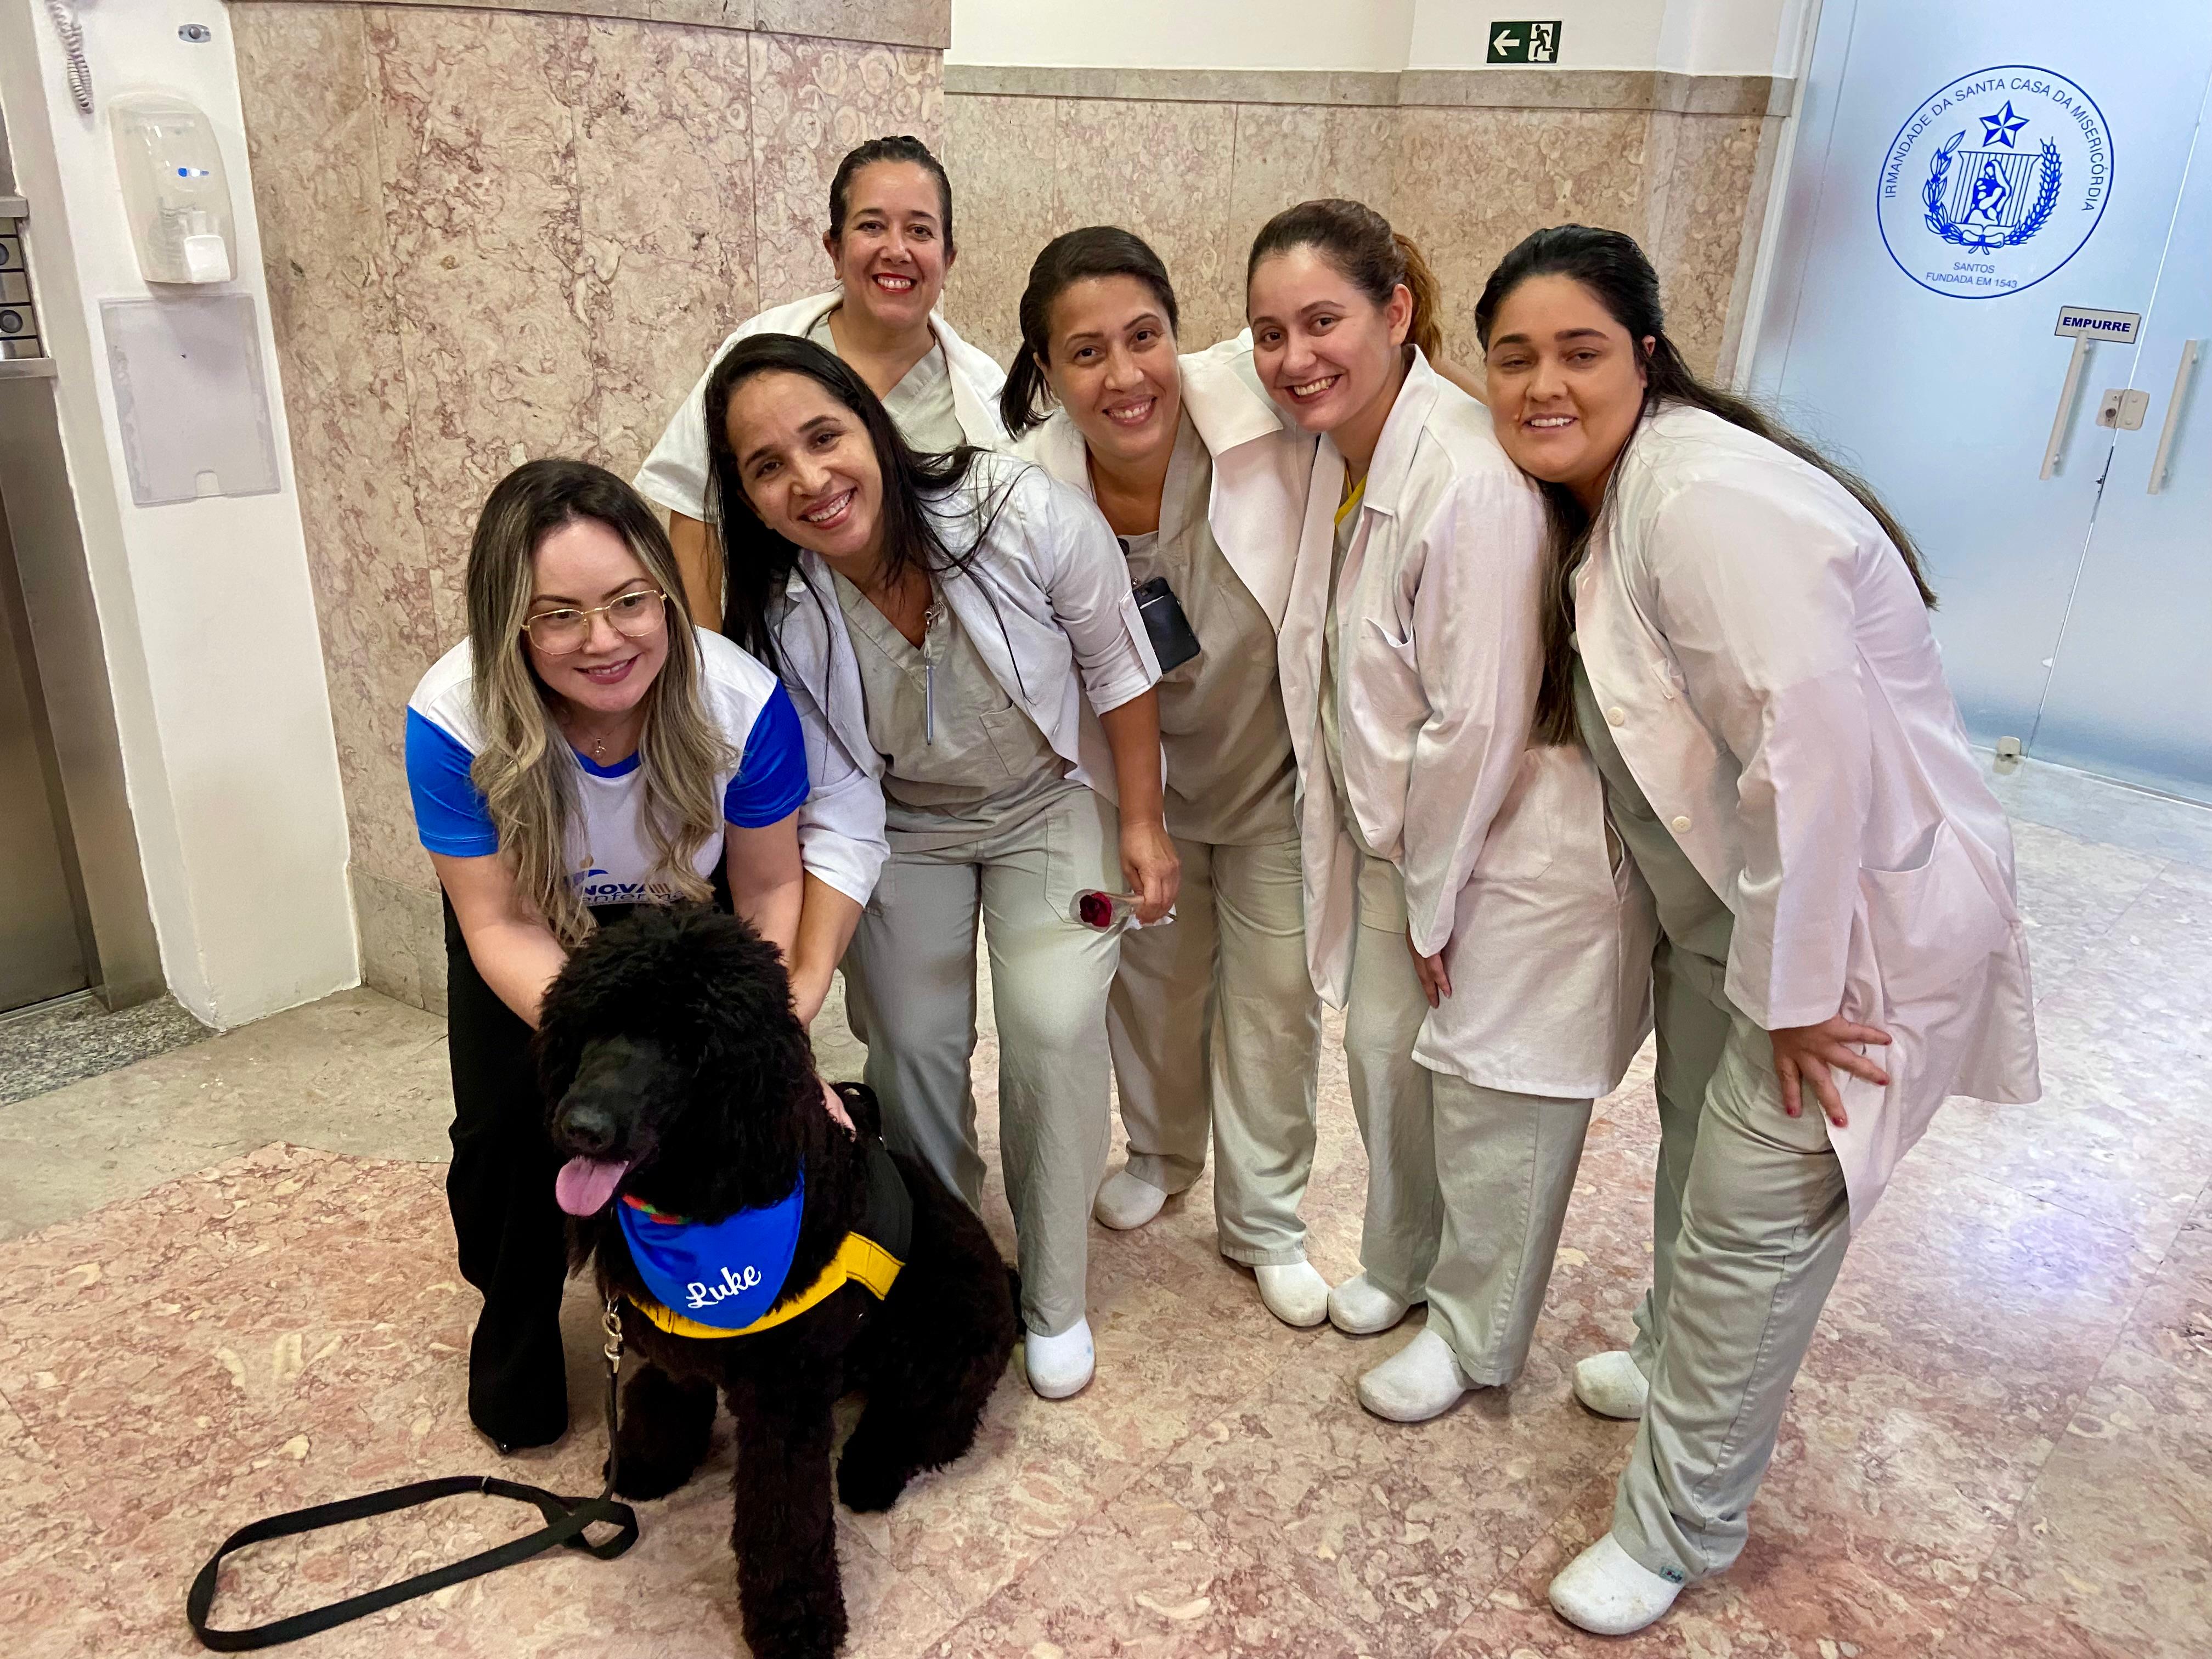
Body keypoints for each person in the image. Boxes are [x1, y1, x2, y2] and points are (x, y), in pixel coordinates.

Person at [1474, 224, 2040, 1634]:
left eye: (1579, 350)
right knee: (1693, 1154)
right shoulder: (1619, 495)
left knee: (1749, 1229)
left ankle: (1674, 1530)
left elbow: (1811, 742)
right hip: (1742, 922)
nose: (1544, 384)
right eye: (1514, 357)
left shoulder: (1701, 497)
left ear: (1648, 355)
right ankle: (1668, 1358)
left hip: (1845, 946)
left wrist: (1799, 995)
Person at [704, 332, 1178, 1400]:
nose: (809, 479)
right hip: (902, 826)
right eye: (768, 466)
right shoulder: (778, 612)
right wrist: (797, 983)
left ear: (873, 429)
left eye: (824, 437)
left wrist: (1144, 823)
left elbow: (1118, 661)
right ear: (747, 497)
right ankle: (951, 1267)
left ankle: (1053, 1297)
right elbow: (839, 802)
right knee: (911, 1041)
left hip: (1049, 800)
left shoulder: (1015, 511)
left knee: (1053, 1021)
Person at [1245, 200, 1655, 1419]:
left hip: (1501, 853)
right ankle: (1401, 1260)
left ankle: (1475, 1334)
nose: (1294, 356)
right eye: (1269, 332)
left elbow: (1472, 724)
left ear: (1397, 311)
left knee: (1493, 1101)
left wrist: (1432, 901)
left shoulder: (1466, 478)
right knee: (1386, 1065)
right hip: (1404, 841)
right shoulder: (1346, 449)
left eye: (1323, 321)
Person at [404, 459, 815, 1452]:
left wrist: (751, 1034)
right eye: (559, 616)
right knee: (509, 1127)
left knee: (711, 1115)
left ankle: (697, 1306)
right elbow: (496, 923)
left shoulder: (741, 701)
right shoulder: (451, 718)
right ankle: (516, 1321)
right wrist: (596, 1043)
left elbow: (768, 889)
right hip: (532, 920)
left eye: (630, 601)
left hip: (686, 919)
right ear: (510, 623)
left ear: (666, 594)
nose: (604, 640)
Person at [1001, 227, 1331, 1328]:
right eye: (1086, 352)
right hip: (1132, 788)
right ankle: (1161, 1153)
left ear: (1179, 338)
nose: (1125, 374)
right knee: (1154, 986)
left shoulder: (1255, 412)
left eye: (1145, 337)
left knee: (1275, 1003)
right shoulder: (1028, 483)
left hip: (1272, 774)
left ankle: (1268, 1221)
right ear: (1047, 370)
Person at [634, 135, 1008, 627]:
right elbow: (696, 508)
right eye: (872, 226)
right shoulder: (761, 353)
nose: (897, 250)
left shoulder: (985, 394)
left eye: (920, 230)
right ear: (834, 249)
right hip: (784, 654)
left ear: (948, 257)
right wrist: (710, 658)